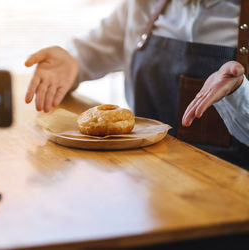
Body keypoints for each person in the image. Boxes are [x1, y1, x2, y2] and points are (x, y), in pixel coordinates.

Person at [24, 0, 249, 168]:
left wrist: (238, 95)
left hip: (229, 189)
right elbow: (89, 54)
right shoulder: (143, 5)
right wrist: (70, 63)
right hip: (145, 177)